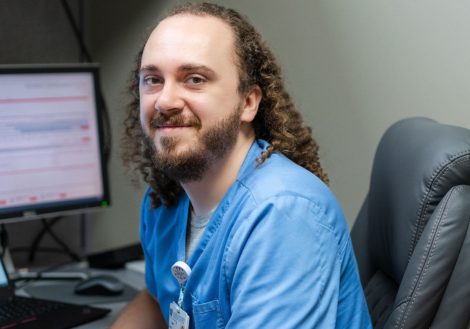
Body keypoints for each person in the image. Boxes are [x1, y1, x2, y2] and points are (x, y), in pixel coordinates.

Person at [115, 3, 372, 329]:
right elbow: (156, 301)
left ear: (248, 102)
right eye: (152, 79)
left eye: (194, 79)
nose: (165, 100)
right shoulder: (163, 199)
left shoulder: (284, 215)